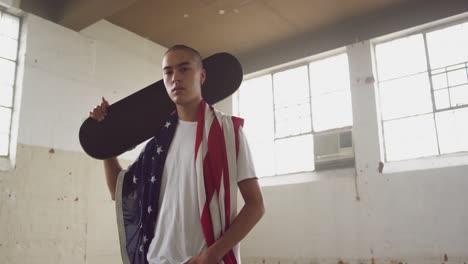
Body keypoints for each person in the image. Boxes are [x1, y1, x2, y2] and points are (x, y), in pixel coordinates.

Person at [89, 45, 265, 264]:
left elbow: (256, 205)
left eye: (184, 69)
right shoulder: (158, 143)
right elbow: (118, 190)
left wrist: (211, 254)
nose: (175, 78)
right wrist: (106, 141)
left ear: (201, 75)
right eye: (168, 72)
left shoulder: (229, 132)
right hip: (158, 259)